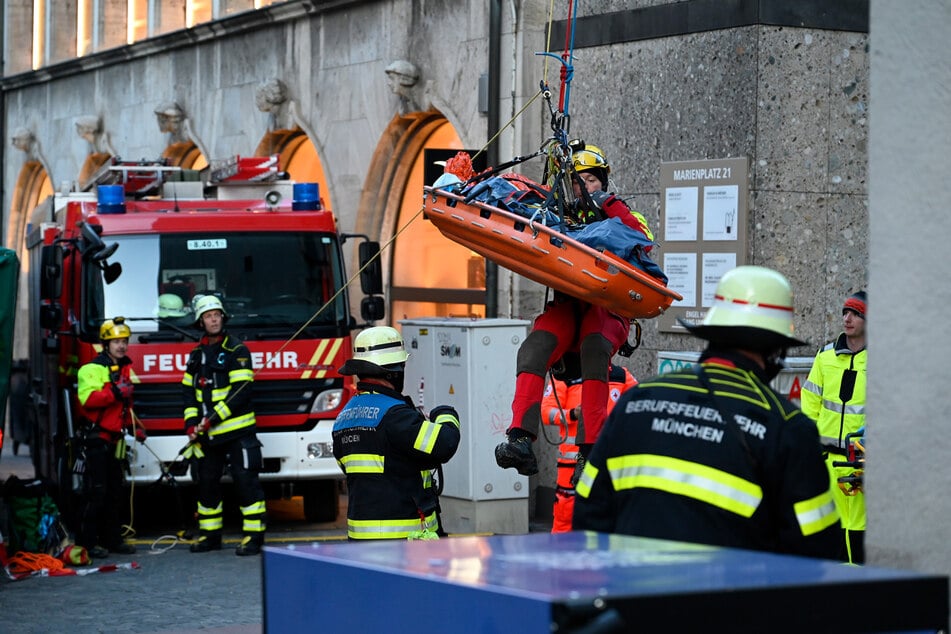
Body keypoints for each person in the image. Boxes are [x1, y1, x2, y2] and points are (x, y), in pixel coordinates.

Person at [573, 266, 843, 560]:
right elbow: (818, 550)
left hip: (630, 585)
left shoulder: (636, 401)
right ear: (776, 350)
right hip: (729, 590)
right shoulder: (788, 428)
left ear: (712, 334)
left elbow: (589, 507)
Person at [495, 143, 655, 477]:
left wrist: (606, 205)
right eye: (577, 181)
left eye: (591, 180)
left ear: (603, 182)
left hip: (607, 308)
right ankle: (520, 438)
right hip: (570, 305)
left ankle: (589, 451)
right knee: (533, 348)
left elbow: (642, 238)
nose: (584, 187)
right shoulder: (560, 216)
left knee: (595, 348)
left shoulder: (619, 211)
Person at [332, 326, 460, 540]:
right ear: (393, 372)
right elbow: (444, 444)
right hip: (405, 542)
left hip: (360, 542)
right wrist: (446, 415)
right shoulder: (395, 416)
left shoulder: (344, 417)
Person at [182, 295, 266, 556]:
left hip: (238, 432)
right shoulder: (196, 355)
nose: (214, 320)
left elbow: (240, 392)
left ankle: (254, 537)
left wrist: (212, 418)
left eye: (217, 315)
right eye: (208, 316)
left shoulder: (237, 350)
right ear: (201, 322)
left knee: (245, 482)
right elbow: (188, 393)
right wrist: (191, 424)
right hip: (207, 436)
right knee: (206, 484)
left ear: (223, 317)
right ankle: (210, 536)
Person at [801, 291, 868, 564]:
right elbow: (809, 403)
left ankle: (862, 580)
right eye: (845, 312)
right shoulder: (825, 356)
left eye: (855, 314)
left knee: (861, 528)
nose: (847, 318)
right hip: (828, 460)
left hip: (862, 462)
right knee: (832, 526)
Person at [541, 361, 637, 532]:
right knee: (566, 516)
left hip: (608, 462)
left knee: (604, 513)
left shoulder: (620, 376)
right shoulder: (564, 375)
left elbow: (639, 403)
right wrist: (573, 414)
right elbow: (546, 412)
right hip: (572, 463)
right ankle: (561, 549)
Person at [76, 317, 141, 558]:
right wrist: (114, 391)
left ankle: (112, 540)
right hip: (96, 438)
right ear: (105, 345)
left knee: (115, 492)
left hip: (115, 439)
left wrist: (135, 427)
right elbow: (88, 400)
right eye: (116, 342)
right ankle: (86, 543)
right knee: (96, 492)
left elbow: (125, 407)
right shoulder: (91, 369)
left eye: (124, 341)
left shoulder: (123, 369)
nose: (121, 346)